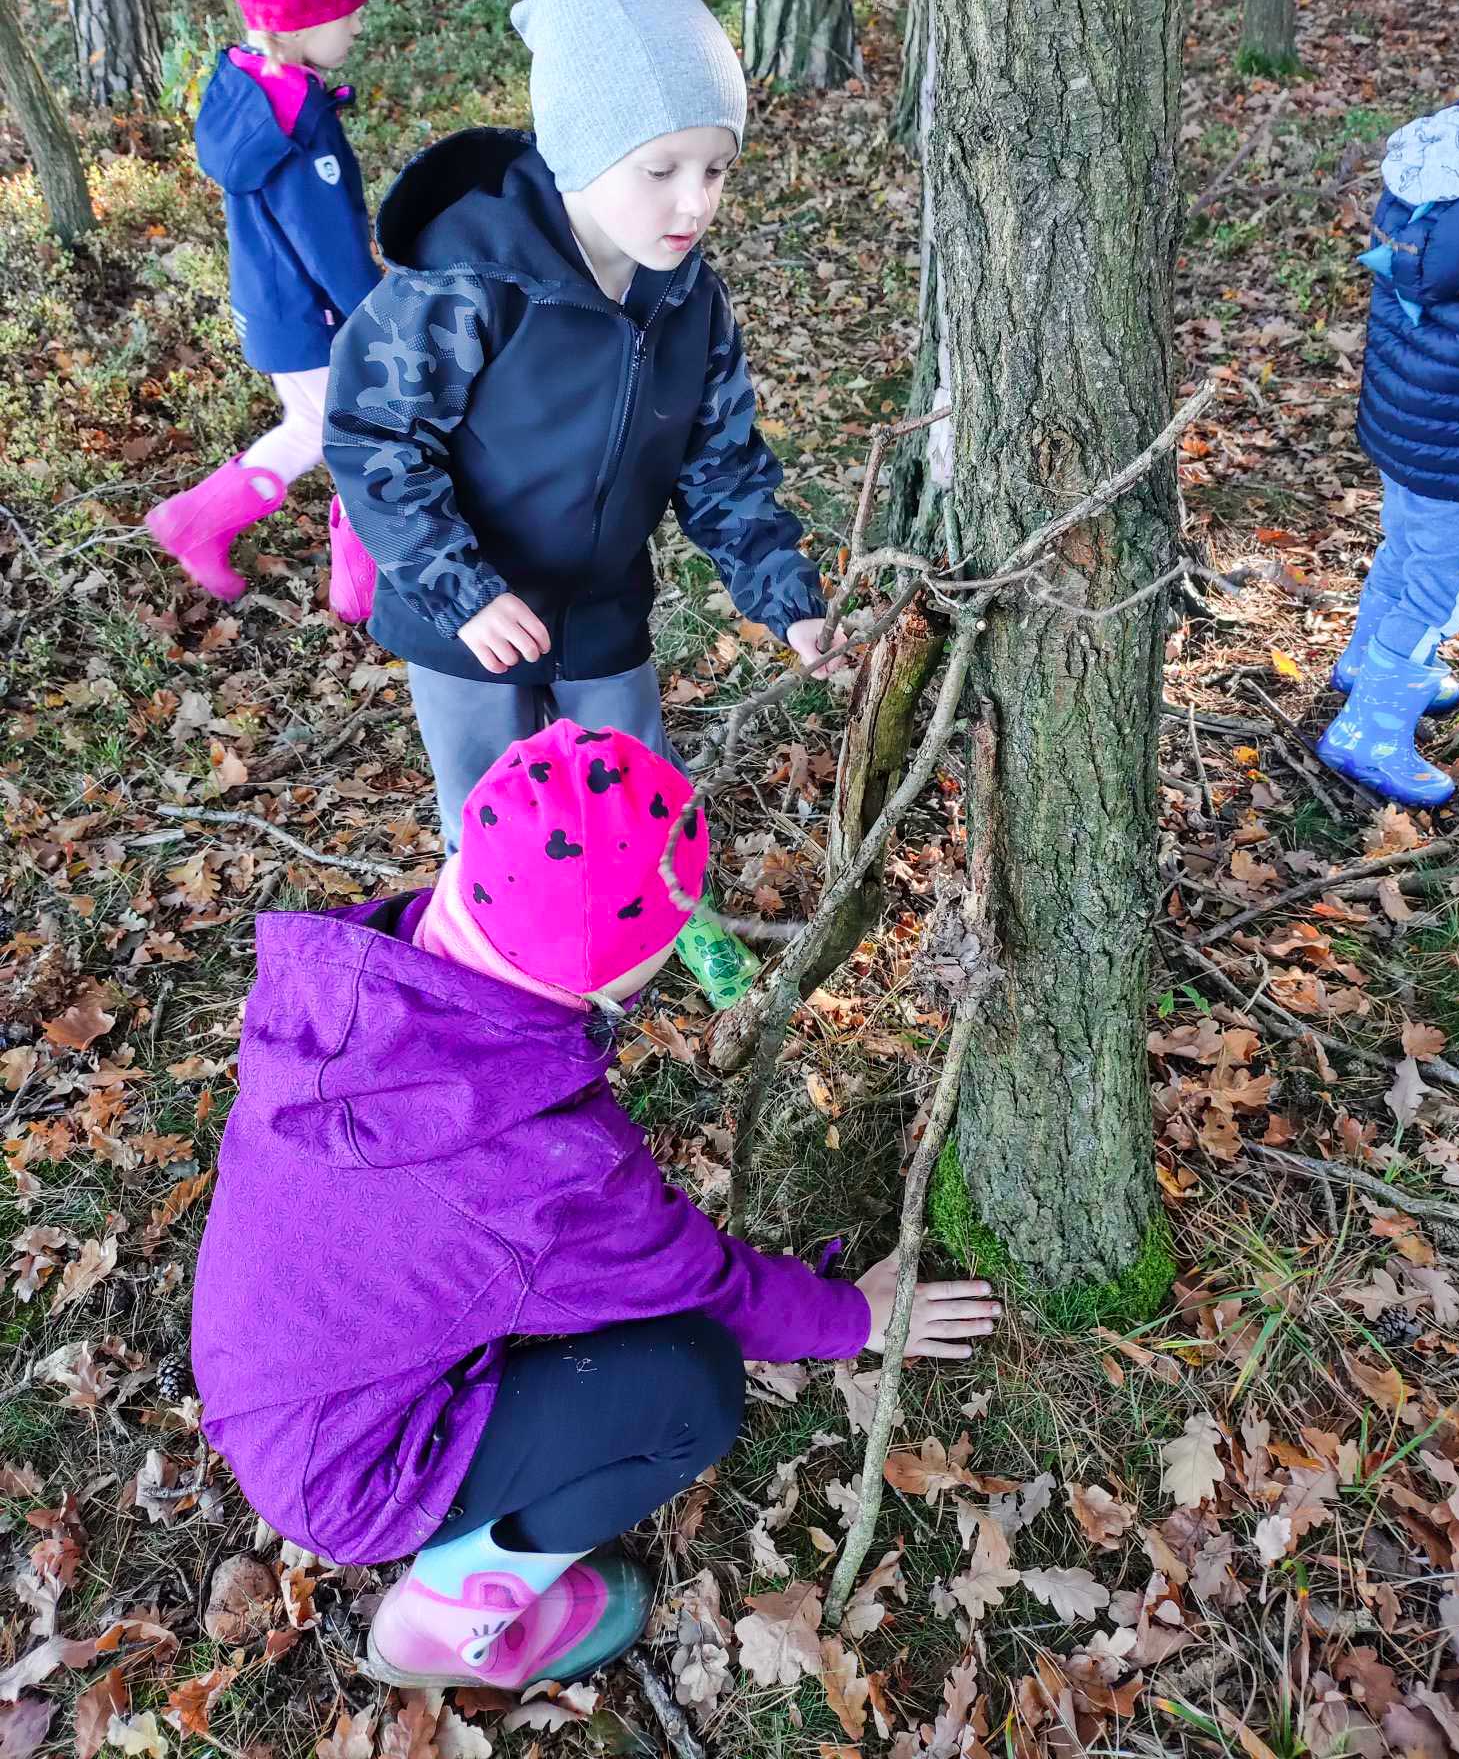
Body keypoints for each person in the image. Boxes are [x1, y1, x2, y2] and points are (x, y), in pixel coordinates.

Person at [190, 720, 1001, 1691]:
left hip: (271, 1360)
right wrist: (854, 1316)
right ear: (614, 977)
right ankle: (447, 1616)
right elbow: (700, 1283)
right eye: (670, 941)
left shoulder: (358, 983)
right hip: (350, 1470)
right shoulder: (542, 1166)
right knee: (687, 1388)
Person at [323, 0, 844, 1002]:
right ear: (578, 152)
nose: (693, 201)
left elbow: (723, 463)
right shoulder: (468, 284)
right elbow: (372, 437)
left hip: (601, 597)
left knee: (634, 780)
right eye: (660, 168)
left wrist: (787, 601)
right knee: (488, 805)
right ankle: (505, 974)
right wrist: (462, 590)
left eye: (716, 168)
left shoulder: (689, 300)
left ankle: (661, 922)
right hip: (464, 611)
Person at [1317, 0, 1459, 807]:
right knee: (1447, 586)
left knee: (1407, 548)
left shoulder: (1447, 155)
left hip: (1407, 419)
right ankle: (1370, 727)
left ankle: (1362, 656)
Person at [145, 0, 377, 605]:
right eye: (350, 11)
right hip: (313, 318)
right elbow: (329, 244)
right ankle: (359, 590)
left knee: (318, 427)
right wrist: (378, 313)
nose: (360, 24)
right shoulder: (299, 125)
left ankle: (199, 522)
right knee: (366, 439)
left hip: (272, 305)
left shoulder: (249, 87)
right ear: (305, 19)